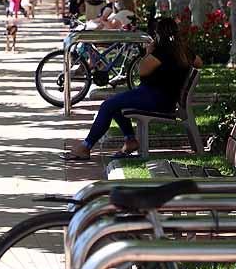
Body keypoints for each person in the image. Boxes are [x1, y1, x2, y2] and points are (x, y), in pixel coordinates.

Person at [61, 16, 201, 161]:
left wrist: (148, 52)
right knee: (113, 103)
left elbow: (142, 70)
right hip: (162, 97)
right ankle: (129, 140)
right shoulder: (182, 51)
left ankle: (86, 146)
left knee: (108, 105)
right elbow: (199, 62)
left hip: (156, 98)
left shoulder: (162, 52)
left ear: (158, 34)